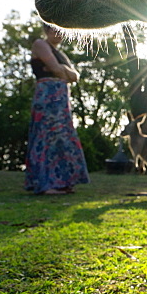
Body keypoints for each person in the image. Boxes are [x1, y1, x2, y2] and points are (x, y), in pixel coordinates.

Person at [24, 22, 90, 195]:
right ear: (47, 30)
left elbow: (75, 77)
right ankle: (46, 185)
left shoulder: (61, 53)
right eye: (55, 30)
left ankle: (62, 183)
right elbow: (55, 69)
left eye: (62, 31)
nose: (59, 34)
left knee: (62, 137)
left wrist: (63, 70)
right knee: (46, 136)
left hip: (61, 99)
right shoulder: (40, 44)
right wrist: (61, 71)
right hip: (47, 96)